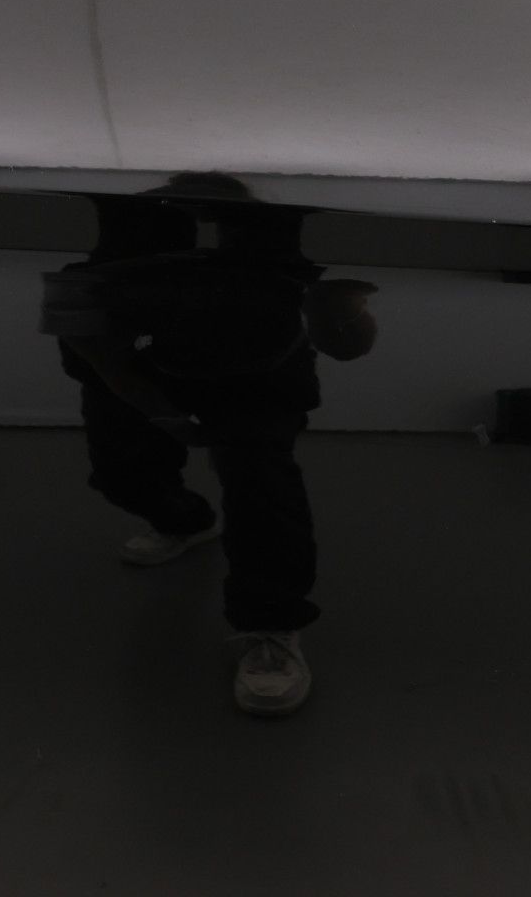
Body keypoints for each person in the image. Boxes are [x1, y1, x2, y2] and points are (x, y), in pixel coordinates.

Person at [41, 175, 377, 715]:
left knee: (261, 482)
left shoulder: (270, 243)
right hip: (143, 344)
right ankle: (183, 520)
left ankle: (270, 626)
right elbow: (90, 344)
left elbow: (349, 345)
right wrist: (161, 413)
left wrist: (338, 310)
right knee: (121, 469)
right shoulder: (122, 243)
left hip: (259, 359)